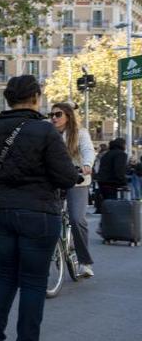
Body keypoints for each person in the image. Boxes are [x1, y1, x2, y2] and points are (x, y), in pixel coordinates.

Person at [0, 75, 77, 341]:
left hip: (1, 210)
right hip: (38, 212)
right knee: (33, 282)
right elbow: (65, 177)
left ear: (7, 99)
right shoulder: (45, 131)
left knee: (5, 276)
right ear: (35, 97)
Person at [49, 102, 96, 277]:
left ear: (68, 116)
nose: (54, 117)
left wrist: (87, 164)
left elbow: (88, 150)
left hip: (77, 181)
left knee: (76, 219)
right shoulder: (49, 134)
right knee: (46, 217)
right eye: (51, 115)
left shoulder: (80, 133)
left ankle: (85, 262)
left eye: (58, 114)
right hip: (55, 182)